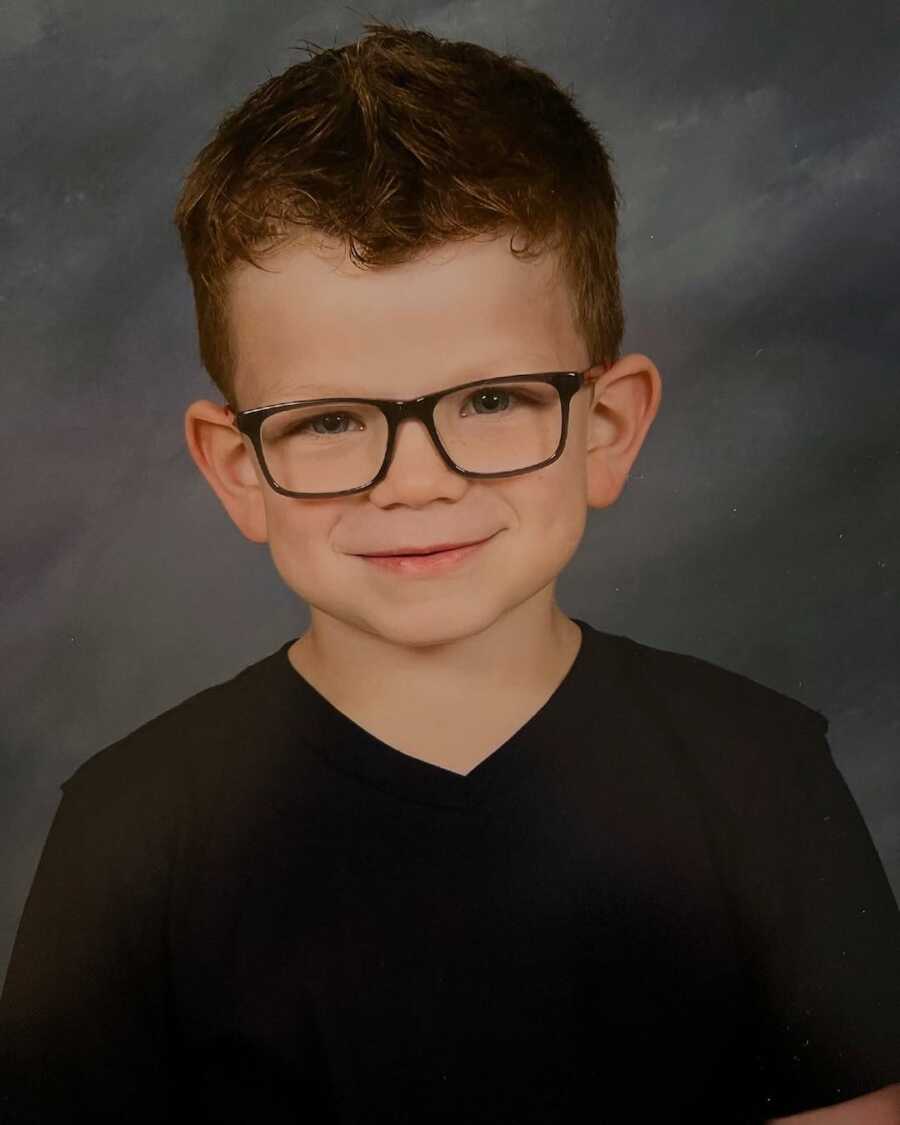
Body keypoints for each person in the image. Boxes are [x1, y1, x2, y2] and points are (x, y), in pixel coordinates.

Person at [1, 18, 898, 1124]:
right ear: (238, 469)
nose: (414, 483)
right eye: (331, 419)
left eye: (490, 400)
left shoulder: (762, 776)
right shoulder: (130, 835)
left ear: (608, 427)